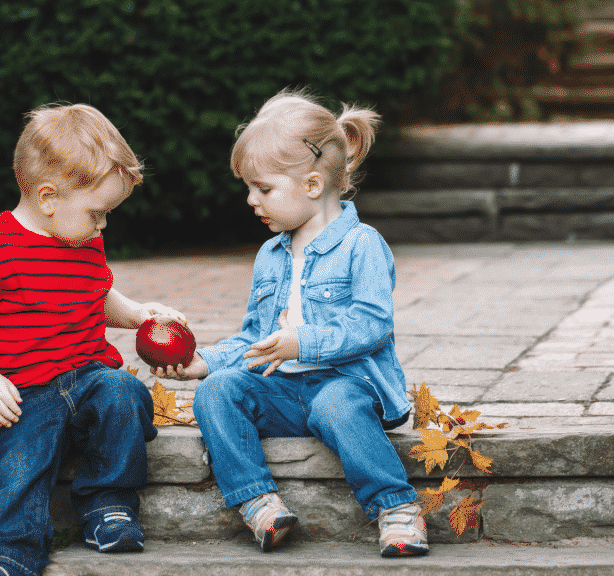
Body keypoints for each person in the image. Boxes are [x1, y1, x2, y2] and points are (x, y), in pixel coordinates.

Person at [154, 89, 428, 557]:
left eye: (263, 189)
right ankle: (259, 502)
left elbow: (371, 324)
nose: (250, 200)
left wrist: (303, 342)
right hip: (284, 391)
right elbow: (256, 339)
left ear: (314, 186)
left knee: (336, 406)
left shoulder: (363, 245)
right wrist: (205, 362)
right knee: (219, 392)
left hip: (348, 384)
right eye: (249, 188)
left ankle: (396, 507)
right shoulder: (270, 255)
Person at [0, 103, 184, 576]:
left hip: (89, 374)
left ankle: (108, 505)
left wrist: (136, 314)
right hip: (25, 389)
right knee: (21, 468)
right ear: (49, 197)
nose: (103, 226)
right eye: (98, 213)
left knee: (125, 394)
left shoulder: (81, 239)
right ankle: (11, 553)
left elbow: (97, 291)